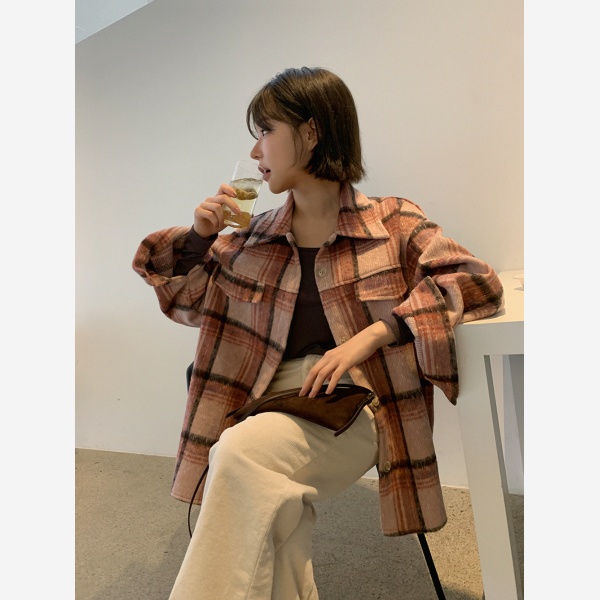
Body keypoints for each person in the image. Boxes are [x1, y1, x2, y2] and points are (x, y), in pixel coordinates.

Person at [132, 66, 504, 600]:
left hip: (356, 402)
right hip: (268, 399)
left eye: (266, 131)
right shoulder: (252, 236)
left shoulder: (392, 222)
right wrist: (198, 237)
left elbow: (476, 282)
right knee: (266, 497)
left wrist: (376, 334)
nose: (255, 151)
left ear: (311, 132)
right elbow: (185, 301)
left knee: (240, 456)